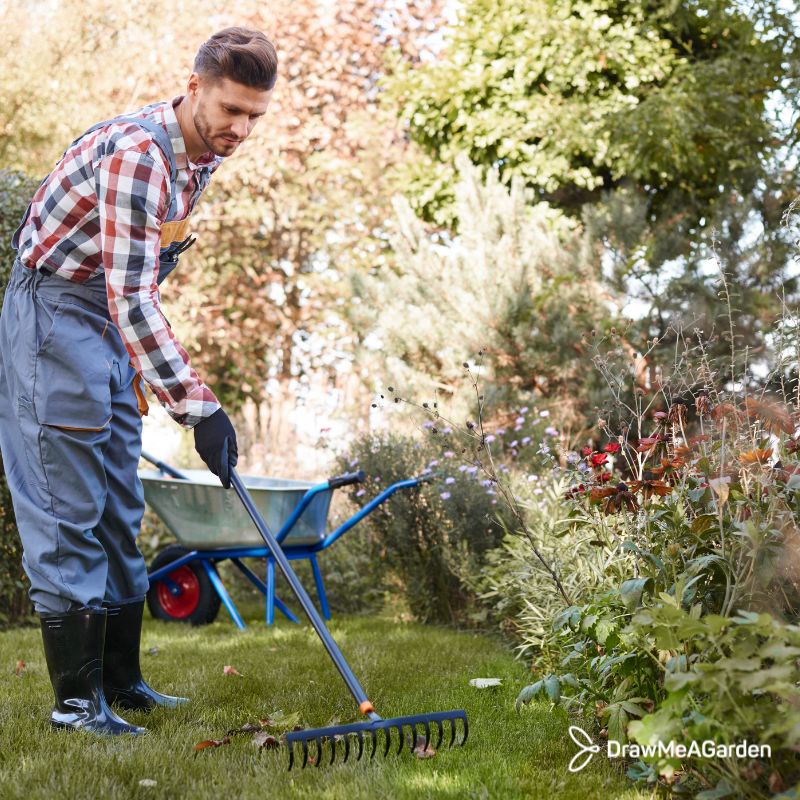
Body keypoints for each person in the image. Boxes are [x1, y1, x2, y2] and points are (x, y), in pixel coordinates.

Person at [0, 27, 277, 735]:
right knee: (71, 510)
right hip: (56, 316)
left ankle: (121, 685)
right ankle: (74, 706)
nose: (240, 129)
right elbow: (131, 294)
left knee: (120, 509)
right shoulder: (137, 157)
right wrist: (198, 407)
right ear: (193, 89)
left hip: (108, 325)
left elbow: (142, 277)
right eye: (230, 110)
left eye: (254, 115)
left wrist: (146, 368)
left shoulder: (200, 156)